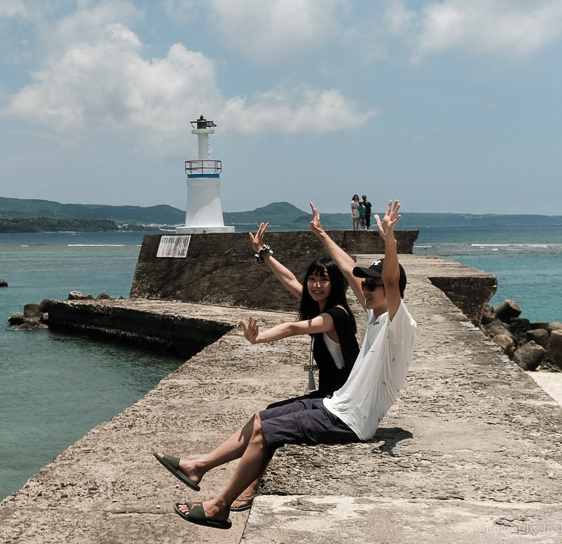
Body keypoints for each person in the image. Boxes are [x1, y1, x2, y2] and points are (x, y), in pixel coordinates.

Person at [153, 200, 416, 530]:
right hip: (337, 404)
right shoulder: (373, 314)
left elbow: (390, 281)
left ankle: (219, 506)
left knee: (266, 433)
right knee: (262, 418)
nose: (364, 287)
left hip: (351, 419)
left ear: (393, 292)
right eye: (365, 284)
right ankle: (198, 467)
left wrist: (390, 242)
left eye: (372, 285)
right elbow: (349, 269)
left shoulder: (399, 323)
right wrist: (321, 235)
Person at [213, 221, 360, 511]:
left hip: (341, 403)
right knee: (267, 414)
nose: (316, 285)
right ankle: (250, 482)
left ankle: (244, 486)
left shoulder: (336, 315)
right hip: (329, 396)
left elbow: (294, 328)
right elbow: (291, 281)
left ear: (336, 284)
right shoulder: (318, 305)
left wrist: (259, 338)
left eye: (324, 279)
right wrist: (264, 253)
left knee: (270, 426)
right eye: (313, 279)